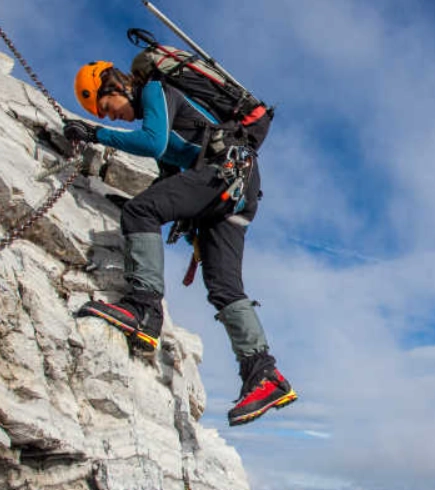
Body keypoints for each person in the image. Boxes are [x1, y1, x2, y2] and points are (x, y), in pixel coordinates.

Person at [64, 60, 297, 426]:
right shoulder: (167, 119)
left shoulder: (155, 90)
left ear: (115, 87)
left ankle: (143, 310)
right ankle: (265, 375)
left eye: (109, 110)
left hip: (225, 175)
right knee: (223, 287)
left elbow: (152, 143)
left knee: (141, 213)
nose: (117, 119)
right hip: (238, 188)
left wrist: (95, 134)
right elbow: (168, 180)